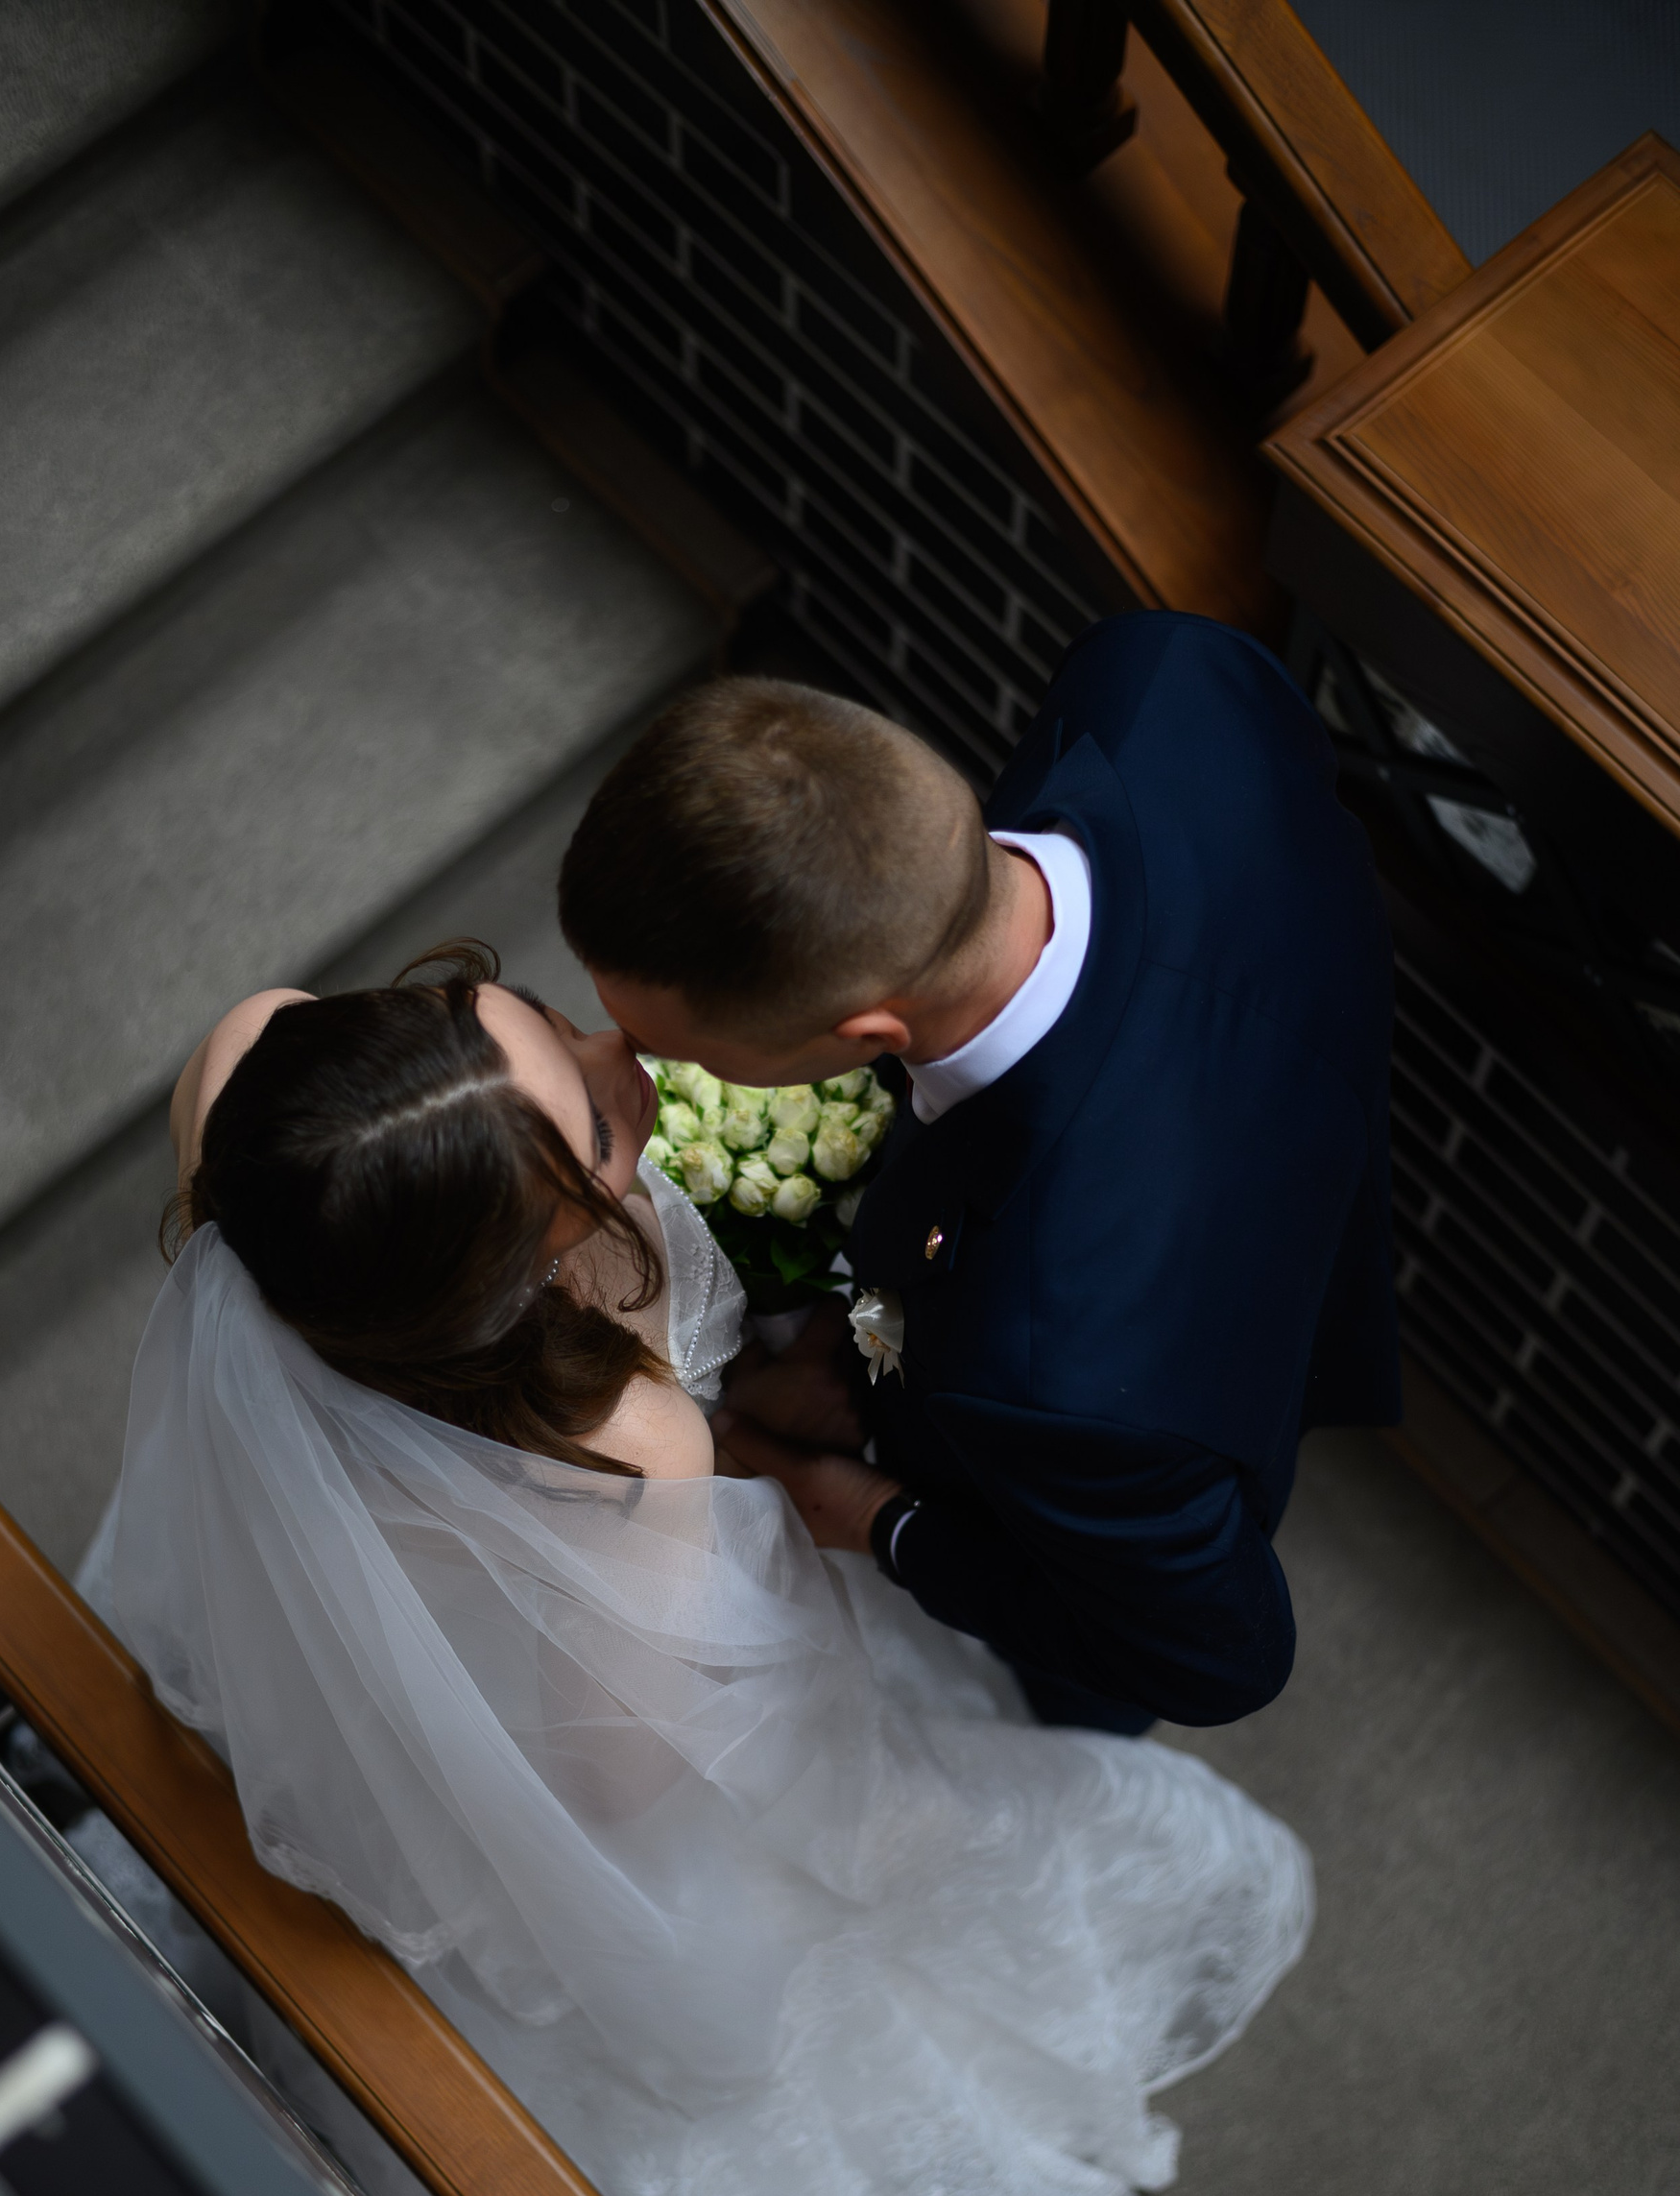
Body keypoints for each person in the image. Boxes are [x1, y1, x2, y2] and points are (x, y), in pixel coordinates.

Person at [90, 940, 1310, 2196]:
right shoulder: (631, 1433)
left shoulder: (252, 1067)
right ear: (528, 1270)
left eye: (537, 1022)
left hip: (348, 1590)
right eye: (600, 1134)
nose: (624, 1057)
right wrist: (750, 1488)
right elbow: (616, 1771)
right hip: (568, 1728)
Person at [560, 616, 1401, 1735]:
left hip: (1159, 1387)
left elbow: (1219, 1660)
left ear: (867, 1032)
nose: (638, 1066)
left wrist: (878, 1517)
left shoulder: (1058, 1367)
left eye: (674, 1047)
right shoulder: (1166, 675)